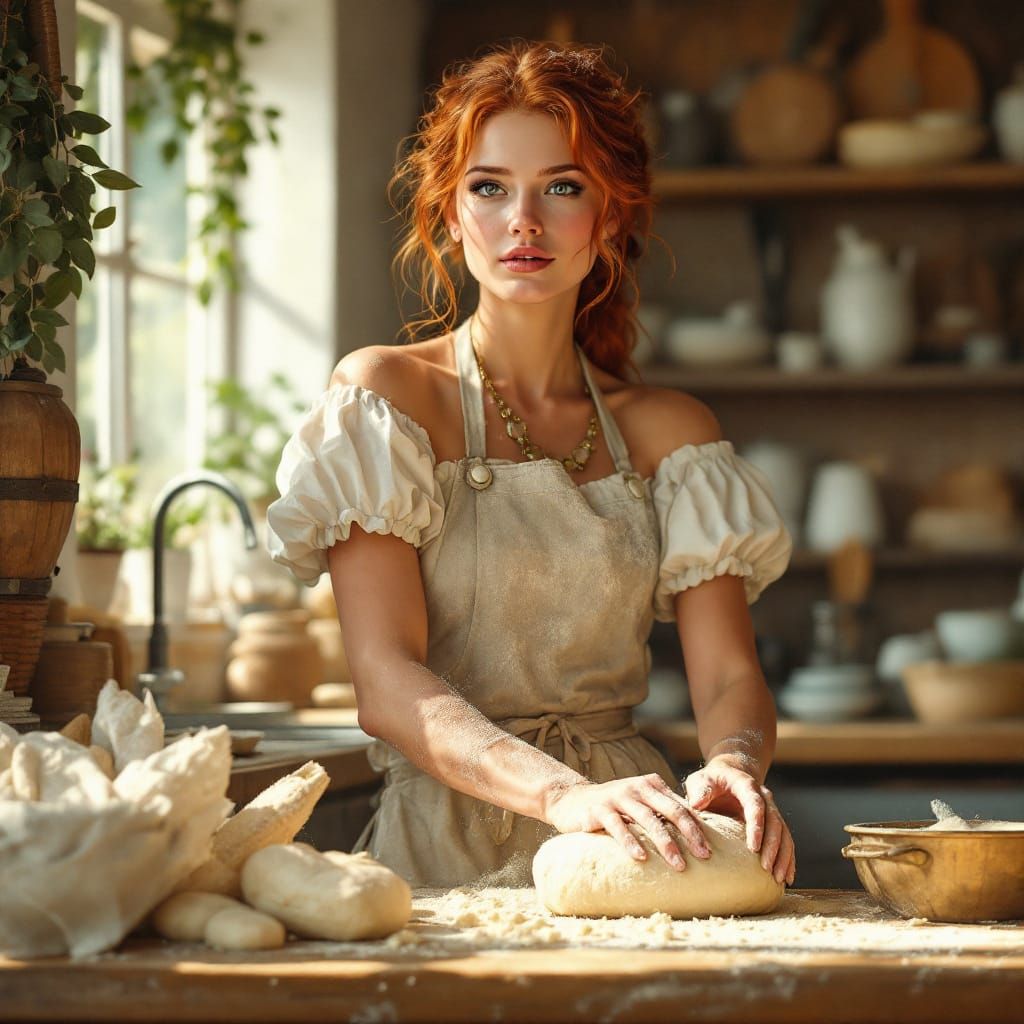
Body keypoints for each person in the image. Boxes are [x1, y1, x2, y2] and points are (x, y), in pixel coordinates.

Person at [267, 40, 795, 890]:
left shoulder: (671, 432)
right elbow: (384, 679)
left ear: (610, 218)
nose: (524, 221)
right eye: (489, 188)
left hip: (633, 842)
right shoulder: (387, 399)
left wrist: (736, 763)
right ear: (450, 215)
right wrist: (563, 794)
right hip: (442, 841)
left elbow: (731, 675)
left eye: (562, 187)